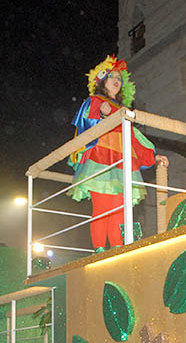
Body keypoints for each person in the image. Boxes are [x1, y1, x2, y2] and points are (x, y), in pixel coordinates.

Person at [68, 55, 168, 251]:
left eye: (119, 78)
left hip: (122, 162)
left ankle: (117, 248)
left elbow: (134, 138)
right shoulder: (94, 101)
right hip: (100, 159)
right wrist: (102, 116)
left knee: (119, 211)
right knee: (102, 208)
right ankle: (99, 249)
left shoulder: (123, 110)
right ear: (102, 80)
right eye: (112, 76)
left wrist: (153, 156)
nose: (116, 80)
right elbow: (84, 130)